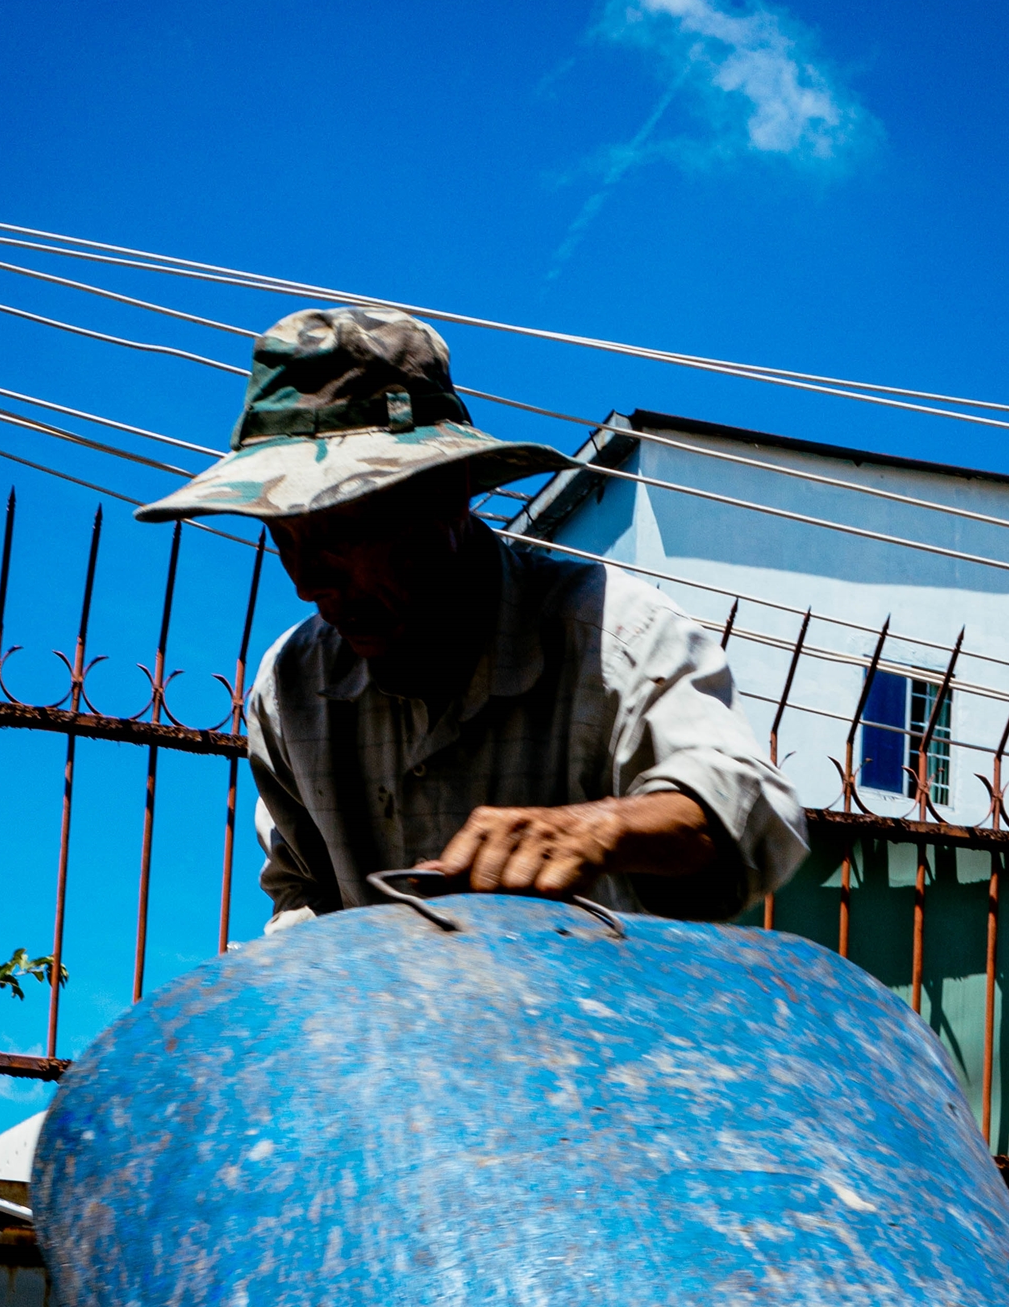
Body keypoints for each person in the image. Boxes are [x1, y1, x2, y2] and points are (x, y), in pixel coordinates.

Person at [137, 306, 807, 927]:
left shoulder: (613, 633)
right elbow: (303, 894)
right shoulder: (291, 689)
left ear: (446, 495)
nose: (310, 583)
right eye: (284, 538)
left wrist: (596, 829)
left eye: (338, 533)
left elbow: (746, 811)